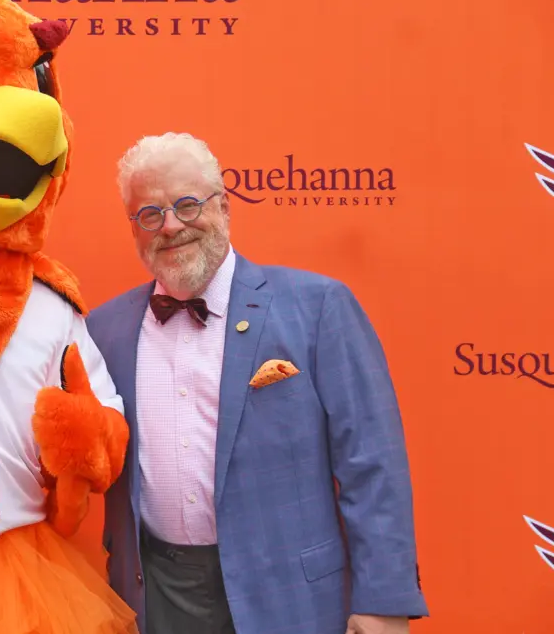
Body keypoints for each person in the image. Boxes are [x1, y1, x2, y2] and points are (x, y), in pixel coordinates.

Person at [87, 132, 428, 634]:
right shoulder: (104, 329)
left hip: (292, 595)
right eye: (150, 214)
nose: (171, 226)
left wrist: (384, 600)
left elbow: (372, 463)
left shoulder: (318, 308)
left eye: (186, 204)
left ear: (224, 206)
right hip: (157, 596)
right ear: (134, 228)